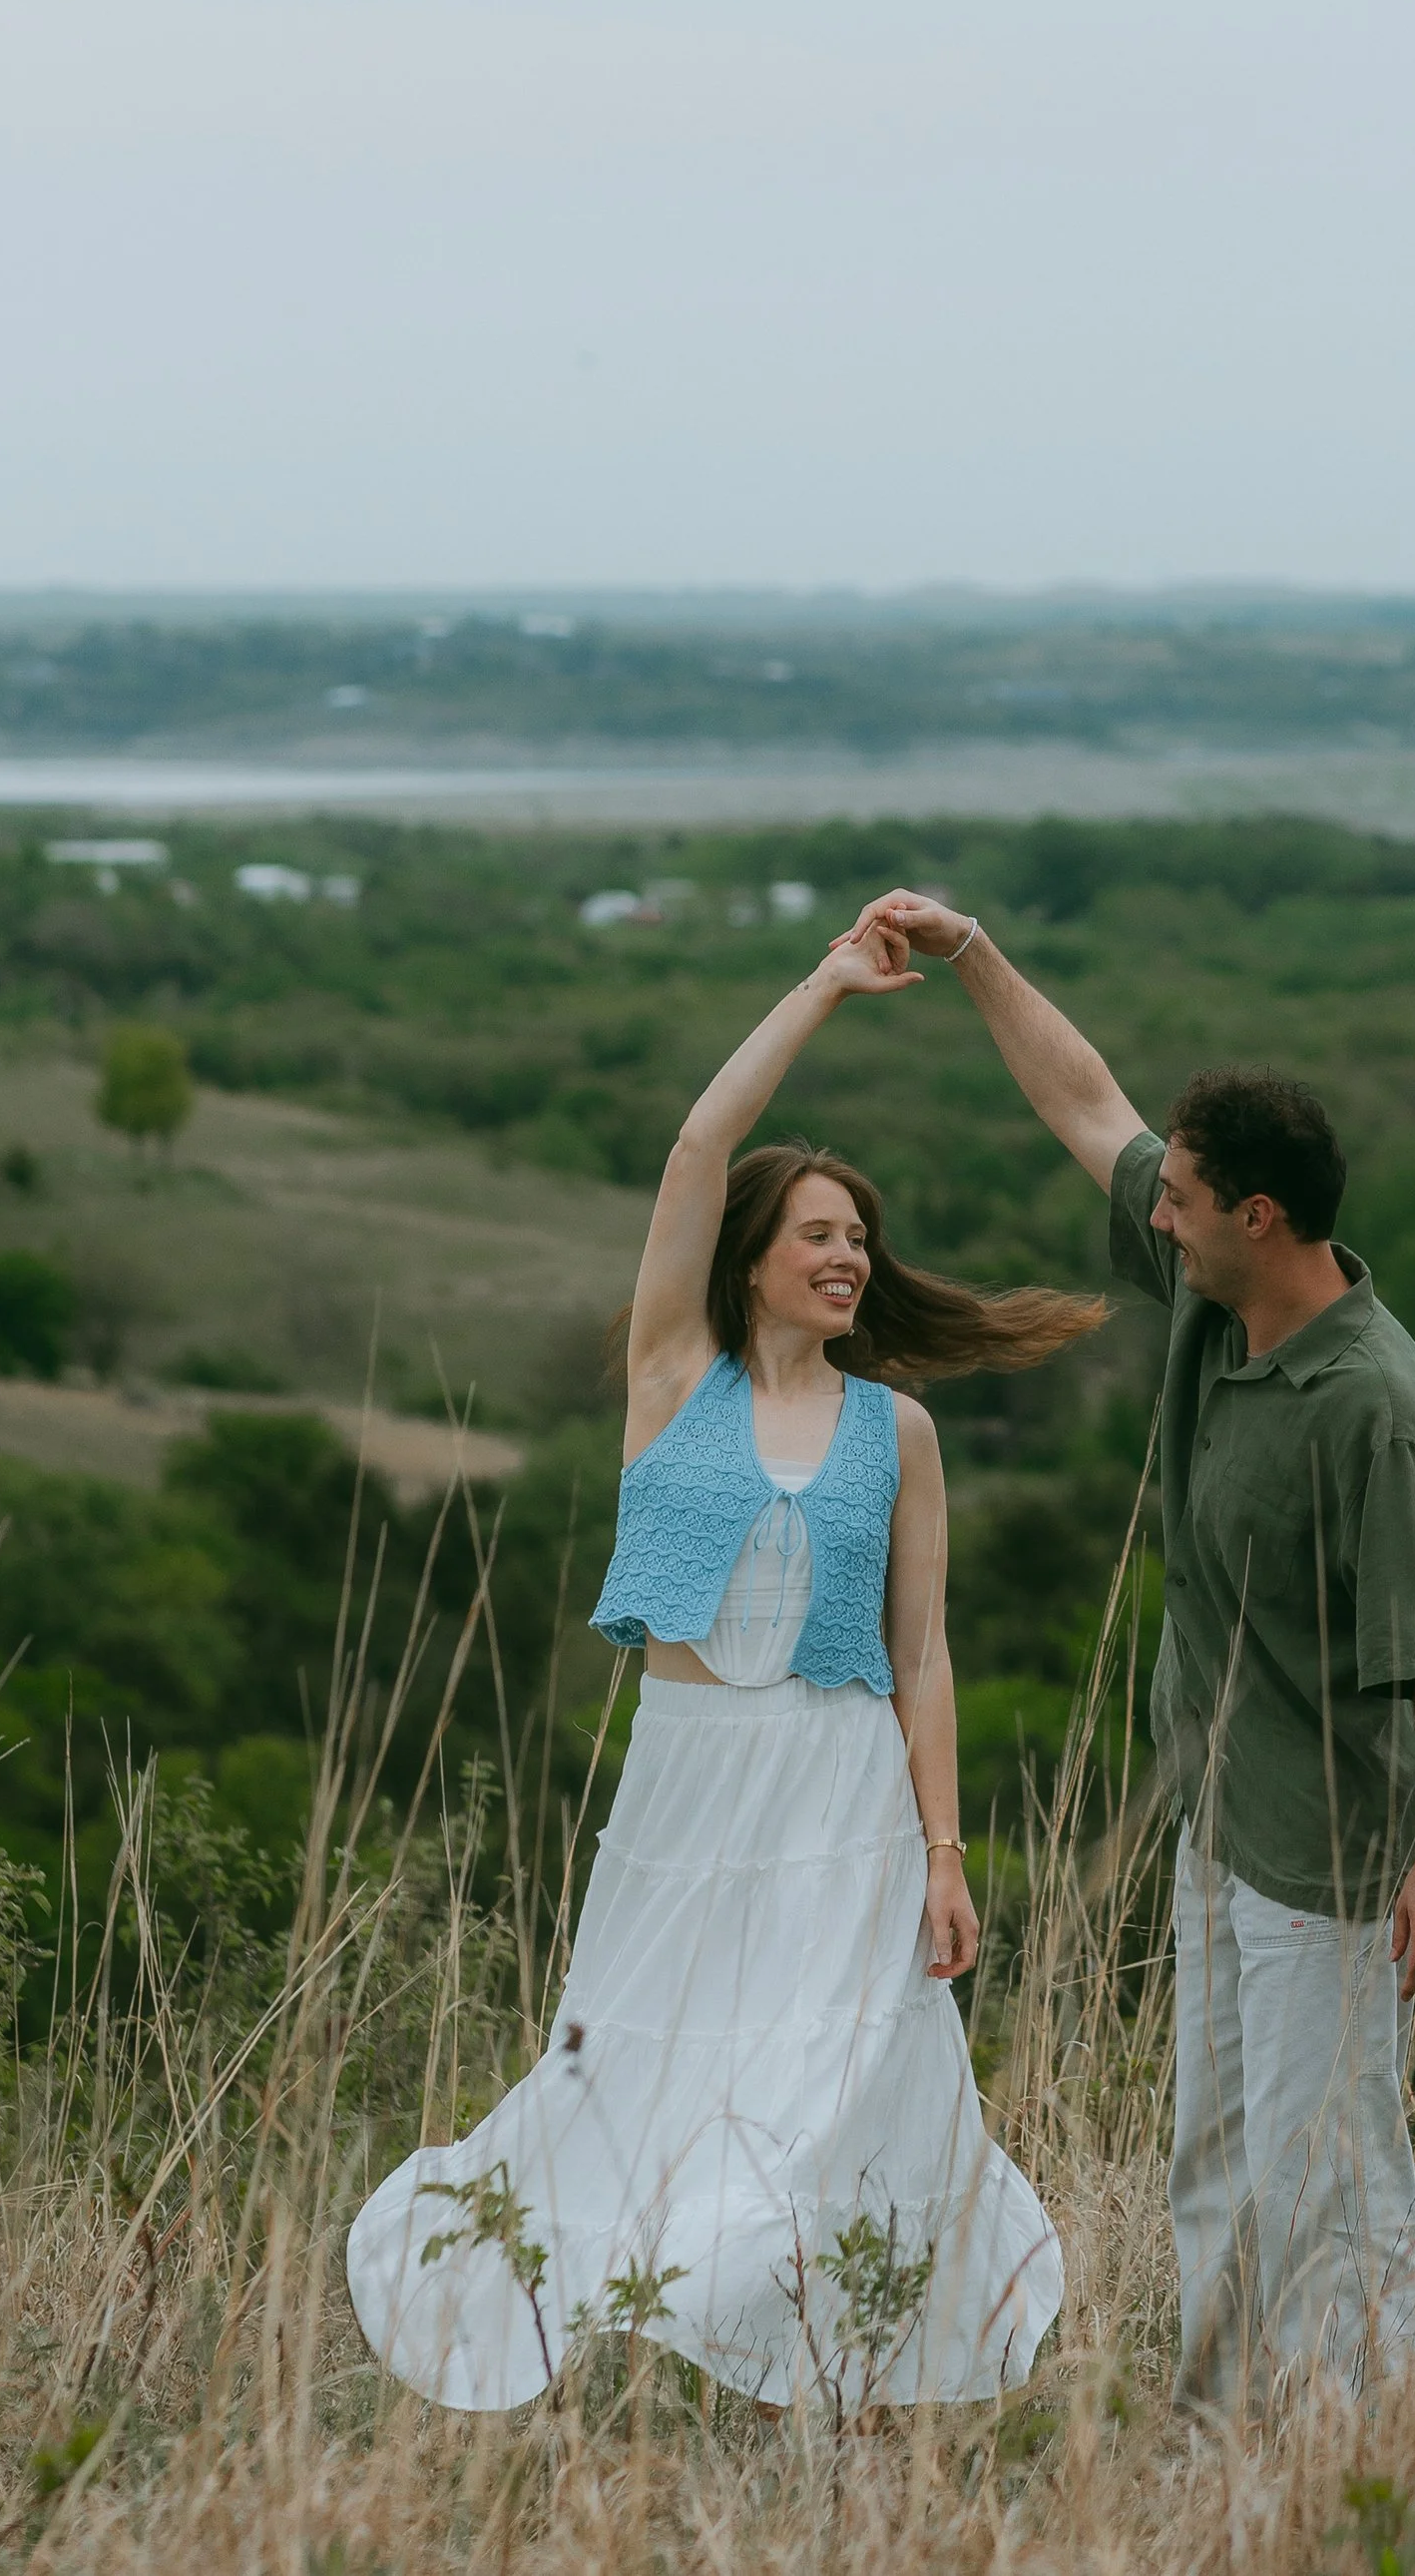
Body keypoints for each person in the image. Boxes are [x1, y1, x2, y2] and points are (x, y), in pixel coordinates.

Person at [347, 927, 1088, 2414]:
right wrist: (824, 984)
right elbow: (700, 1137)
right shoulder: (674, 1380)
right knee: (637, 2062)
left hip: (842, 1786)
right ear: (753, 1255)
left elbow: (921, 1653)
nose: (846, 1256)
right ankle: (631, 2333)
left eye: (860, 1239)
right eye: (818, 1232)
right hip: (689, 1780)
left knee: (838, 2077)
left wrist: (945, 1854)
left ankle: (811, 2371)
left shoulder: (902, 1432)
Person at [838, 890, 1415, 2413]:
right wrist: (972, 951)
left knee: (1327, 2170)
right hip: (1217, 1816)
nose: (1157, 1211)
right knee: (1210, 2149)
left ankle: (1363, 2459)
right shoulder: (1221, 1307)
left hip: (1330, 1851)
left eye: (1182, 1198)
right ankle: (1224, 2444)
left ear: (1257, 1215)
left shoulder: (1376, 1406)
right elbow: (1088, 1103)